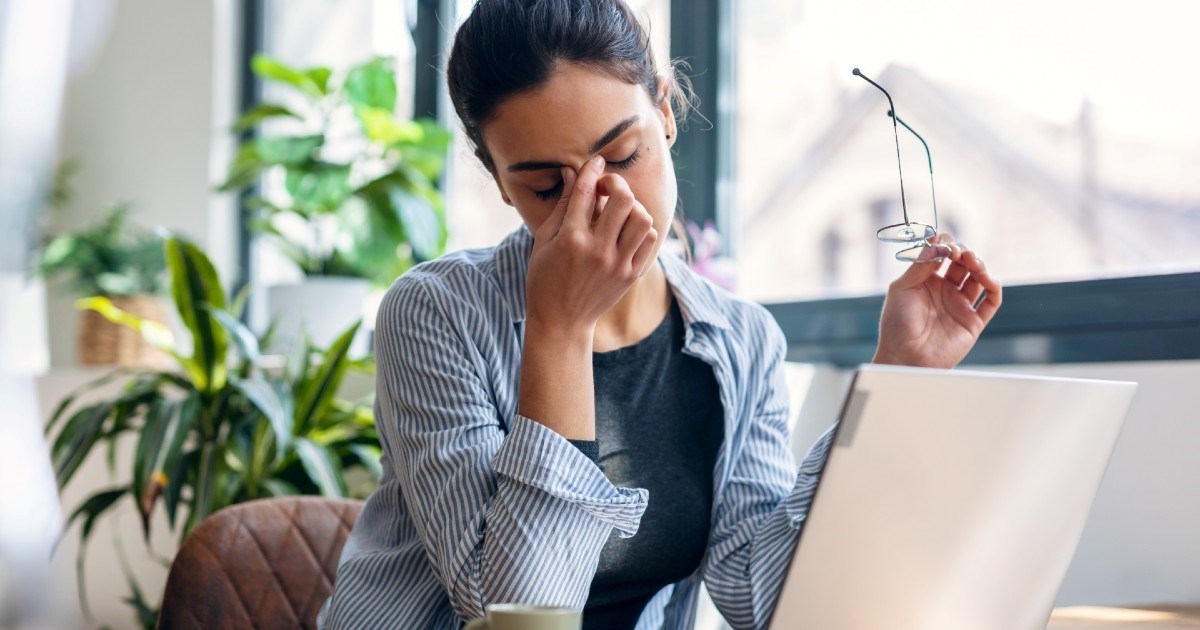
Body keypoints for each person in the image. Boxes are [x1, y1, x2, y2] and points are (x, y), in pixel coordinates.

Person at [319, 0, 1002, 628]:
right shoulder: (436, 314)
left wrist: (898, 377)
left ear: (666, 112)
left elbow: (760, 595)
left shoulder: (741, 341)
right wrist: (559, 332)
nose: (601, 204)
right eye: (547, 187)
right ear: (499, 181)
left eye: (622, 155)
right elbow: (516, 616)